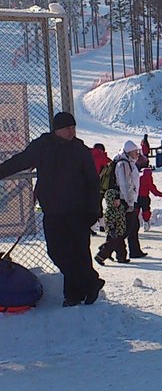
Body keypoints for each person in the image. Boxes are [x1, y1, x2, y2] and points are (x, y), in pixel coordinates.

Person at [0, 111, 104, 306]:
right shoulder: (42, 146)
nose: (72, 131)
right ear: (57, 129)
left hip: (78, 210)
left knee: (80, 252)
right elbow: (20, 161)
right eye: (68, 128)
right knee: (57, 251)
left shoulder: (80, 149)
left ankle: (74, 295)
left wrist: (94, 209)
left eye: (74, 127)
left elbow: (92, 180)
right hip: (53, 211)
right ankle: (90, 282)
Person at [114, 140, 148, 258]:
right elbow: (124, 184)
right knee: (127, 228)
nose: (137, 154)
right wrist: (129, 202)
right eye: (135, 152)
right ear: (129, 152)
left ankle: (134, 251)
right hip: (126, 201)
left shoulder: (129, 162)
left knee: (133, 226)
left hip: (131, 199)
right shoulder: (123, 164)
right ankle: (106, 251)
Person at [95, 181, 129, 265]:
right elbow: (108, 221)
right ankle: (100, 257)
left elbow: (123, 212)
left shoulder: (120, 209)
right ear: (110, 202)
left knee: (121, 246)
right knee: (110, 246)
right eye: (115, 201)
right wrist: (111, 228)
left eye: (118, 201)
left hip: (120, 230)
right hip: (113, 231)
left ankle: (121, 258)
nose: (117, 203)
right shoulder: (110, 211)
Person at [136, 158, 162, 230]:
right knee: (146, 211)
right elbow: (154, 191)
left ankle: (134, 225)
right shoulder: (149, 181)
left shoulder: (137, 178)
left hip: (136, 198)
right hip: (145, 198)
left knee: (135, 211)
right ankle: (146, 223)